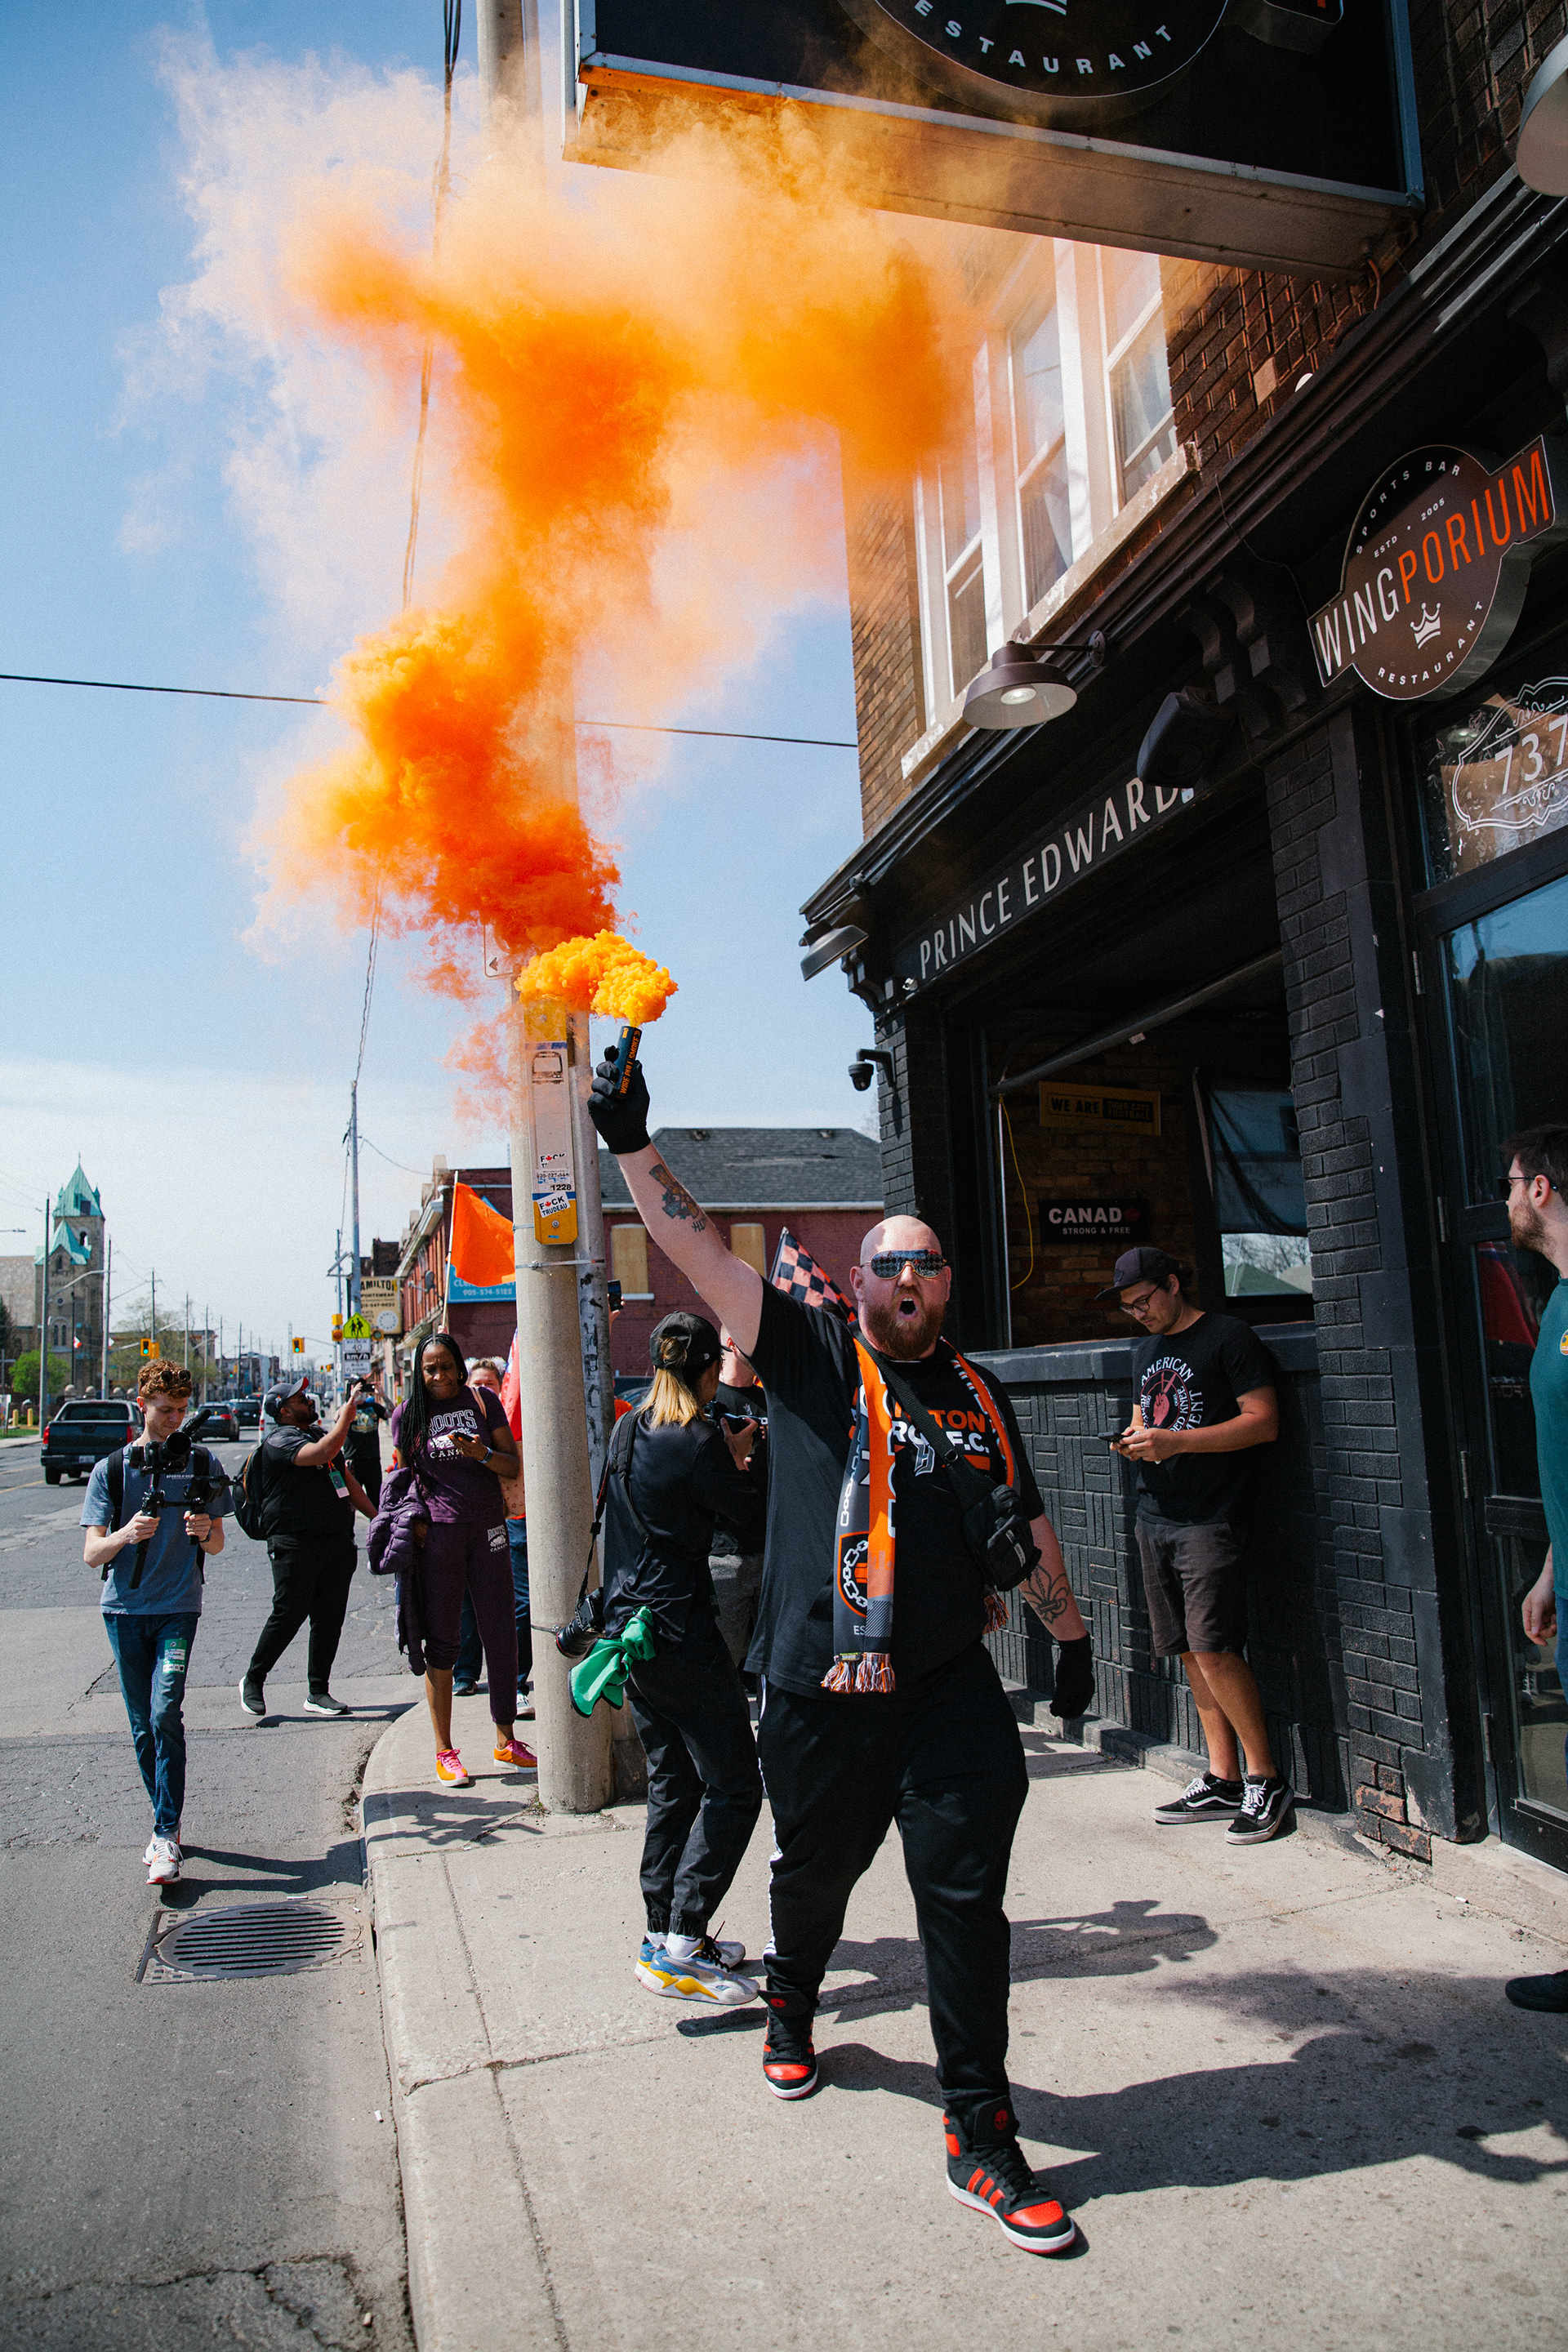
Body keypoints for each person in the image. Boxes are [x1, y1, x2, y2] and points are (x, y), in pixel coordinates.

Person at [588, 1055, 1090, 2256]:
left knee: (965, 1903)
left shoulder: (976, 1389)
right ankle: (794, 2002)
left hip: (948, 1692)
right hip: (820, 1689)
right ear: (856, 1281)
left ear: (948, 1284)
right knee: (814, 1878)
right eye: (889, 1261)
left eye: (927, 1262)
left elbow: (1023, 1521)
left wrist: (1069, 1636)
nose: (909, 1277)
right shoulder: (811, 1356)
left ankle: (980, 2130)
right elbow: (698, 1249)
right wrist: (631, 1147)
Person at [1101, 1245, 1290, 1842]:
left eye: (1145, 1300)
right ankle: (1223, 1775)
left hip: (1212, 1516)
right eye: (1130, 1307)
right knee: (1185, 1649)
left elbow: (1263, 1421)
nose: (1140, 1313)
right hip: (1155, 1513)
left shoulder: (1229, 1338)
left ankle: (1266, 1779)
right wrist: (1135, 1441)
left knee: (1215, 1648)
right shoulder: (1145, 1351)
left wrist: (1177, 1444)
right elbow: (1144, 1421)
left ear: (1175, 1283)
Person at [607, 1311, 768, 2008]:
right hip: (681, 1634)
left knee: (674, 1782)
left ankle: (662, 1932)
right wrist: (745, 1457)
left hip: (630, 1636)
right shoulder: (701, 1440)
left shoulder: (628, 1428)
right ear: (707, 1371)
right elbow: (752, 1518)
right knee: (736, 1783)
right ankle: (683, 1938)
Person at [82, 1359, 228, 1886]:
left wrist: (205, 1527)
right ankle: (164, 1815)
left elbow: (218, 1543)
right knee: (143, 1724)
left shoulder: (202, 1463)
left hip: (178, 1609)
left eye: (182, 1410)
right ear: (142, 1405)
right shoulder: (113, 1469)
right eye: (165, 1410)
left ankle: (165, 1831)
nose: (174, 1420)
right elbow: (92, 1553)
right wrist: (126, 1534)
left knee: (167, 1709)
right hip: (124, 1612)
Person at [390, 1334, 534, 1786]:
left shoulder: (484, 1401)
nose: (438, 1377)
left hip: (489, 1527)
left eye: (446, 1367)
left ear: (458, 1366)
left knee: (501, 1633)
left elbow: (511, 1466)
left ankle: (505, 1739)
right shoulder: (407, 1415)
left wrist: (482, 1454)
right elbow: (400, 1480)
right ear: (420, 1371)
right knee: (444, 1641)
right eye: (429, 1369)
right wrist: (412, 1523)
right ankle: (445, 1751)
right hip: (440, 1536)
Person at [1499, 1128, 1568, 2013]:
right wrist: (1552, 1569)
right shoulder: (1555, 1306)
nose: (1506, 1198)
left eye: (1511, 1184)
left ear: (1543, 1189)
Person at [239, 1374, 373, 1721]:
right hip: (294, 1542)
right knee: (289, 1612)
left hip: (336, 1541)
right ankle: (254, 1679)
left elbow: (344, 1478)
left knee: (329, 1619)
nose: (309, 1402)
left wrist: (377, 1518)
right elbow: (322, 1454)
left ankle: (318, 1691)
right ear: (283, 1412)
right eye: (301, 1400)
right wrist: (347, 1412)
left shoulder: (314, 1433)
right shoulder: (280, 1441)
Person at [451, 1357, 532, 1717]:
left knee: (516, 1602)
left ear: (502, 1387)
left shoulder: (505, 1418)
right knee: (465, 1602)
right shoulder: (458, 1417)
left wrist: (484, 1453)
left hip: (507, 1516)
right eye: (478, 1383)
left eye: (491, 1384)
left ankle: (515, 1682)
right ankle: (465, 1672)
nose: (485, 1389)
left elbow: (512, 1464)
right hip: (463, 1520)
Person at [710, 1326, 767, 1683]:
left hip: (774, 1552)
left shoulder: (773, 1398)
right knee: (720, 1666)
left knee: (773, 1666)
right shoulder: (710, 1401)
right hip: (724, 1555)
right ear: (732, 1342)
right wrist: (732, 1456)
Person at [344, 1368, 390, 1510]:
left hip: (372, 1462)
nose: (361, 1391)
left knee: (376, 1503)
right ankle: (348, 1533)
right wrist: (351, 1398)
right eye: (358, 1387)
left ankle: (376, 1530)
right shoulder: (346, 1408)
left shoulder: (373, 1406)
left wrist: (383, 1395)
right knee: (350, 1504)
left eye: (363, 1387)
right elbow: (338, 1417)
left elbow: (394, 1413)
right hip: (353, 1462)